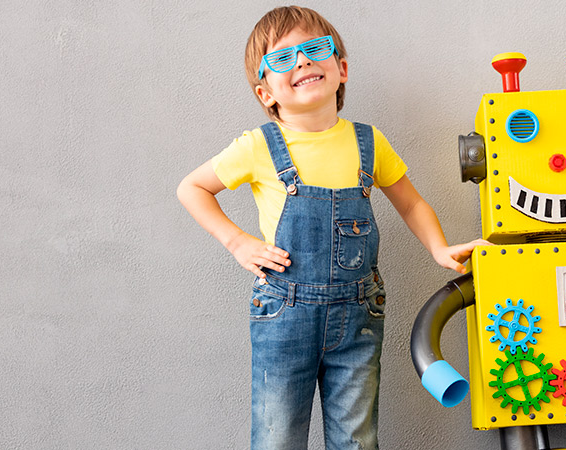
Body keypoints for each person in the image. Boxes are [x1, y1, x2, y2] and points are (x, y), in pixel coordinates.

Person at [176, 6, 488, 450]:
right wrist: (238, 242)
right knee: (277, 438)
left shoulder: (369, 142)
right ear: (266, 92)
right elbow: (191, 188)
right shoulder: (258, 146)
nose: (303, 60)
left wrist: (439, 249)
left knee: (356, 440)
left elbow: (411, 202)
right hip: (284, 315)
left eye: (315, 49)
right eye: (283, 57)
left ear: (341, 69)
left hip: (359, 314)